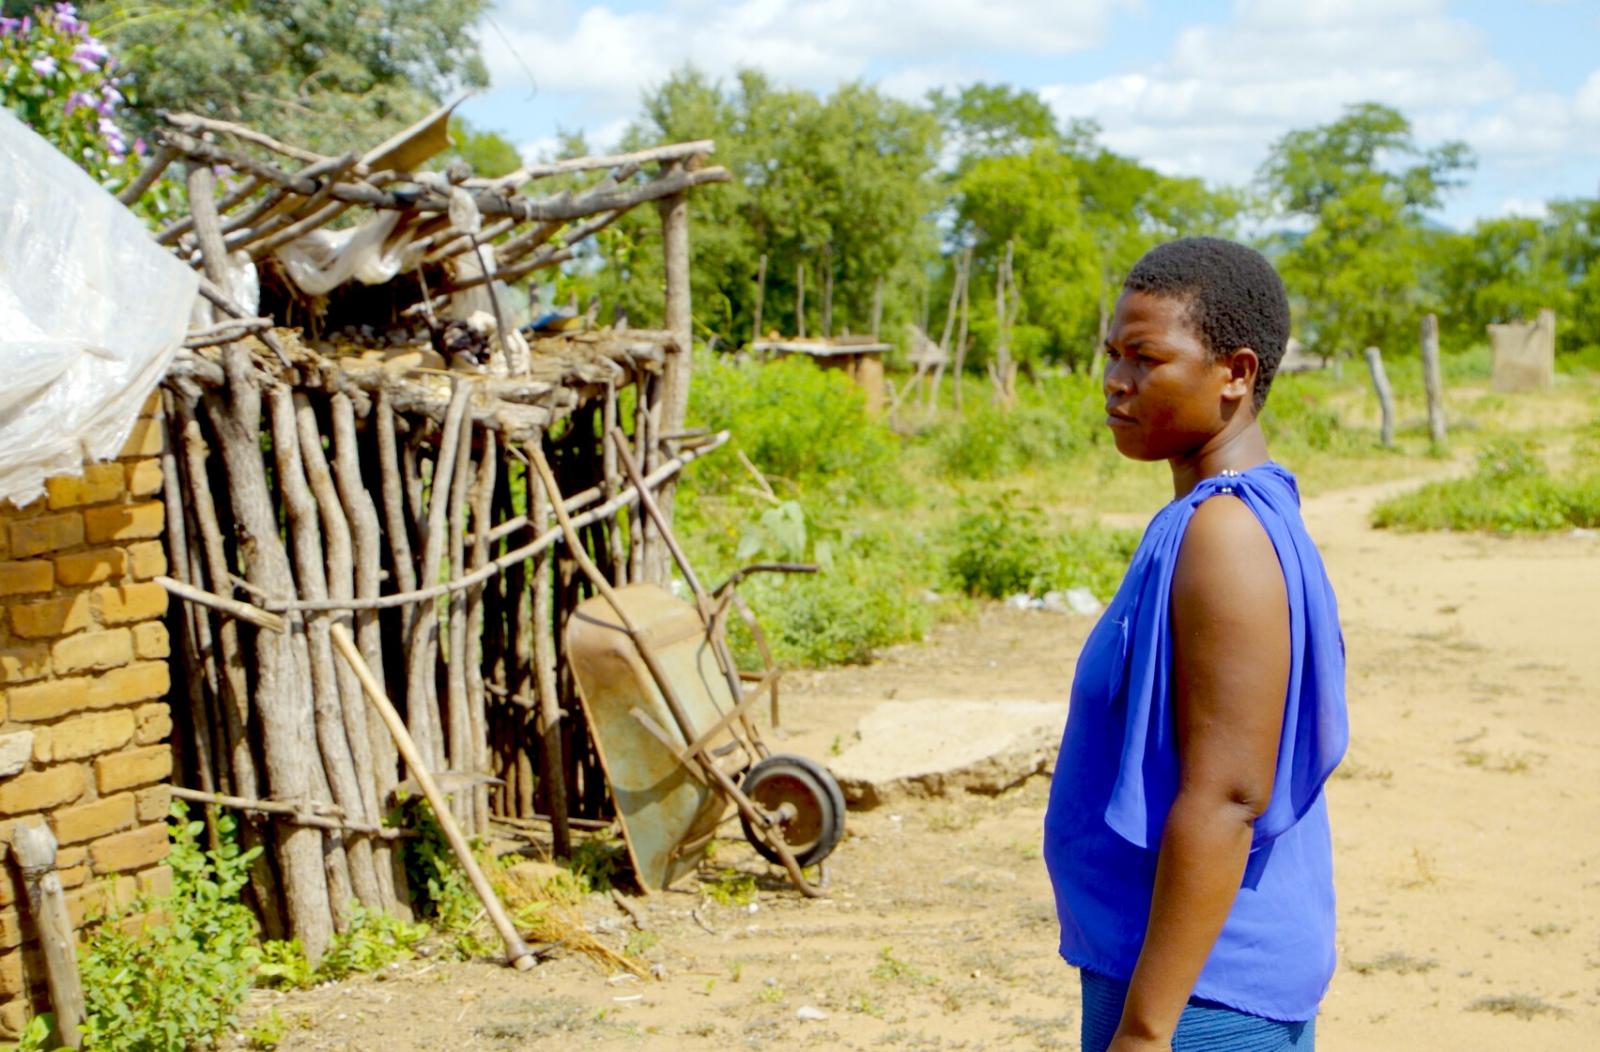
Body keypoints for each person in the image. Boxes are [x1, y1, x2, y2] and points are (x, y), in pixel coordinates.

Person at [1043, 237, 1348, 1052]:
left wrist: (1146, 1032)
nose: (1116, 380)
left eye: (1145, 358)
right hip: (1166, 968)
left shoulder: (1227, 536)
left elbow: (1227, 797)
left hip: (1198, 997)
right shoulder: (1203, 521)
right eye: (1112, 353)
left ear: (1236, 374)